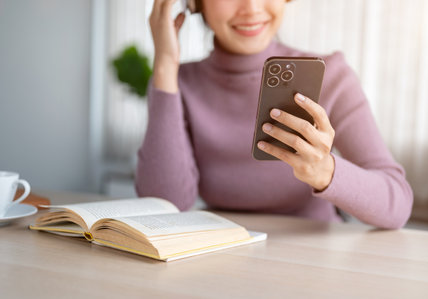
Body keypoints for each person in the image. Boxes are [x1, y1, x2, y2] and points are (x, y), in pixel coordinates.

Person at [136, 0, 413, 229]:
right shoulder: (176, 82)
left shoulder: (332, 76)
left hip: (314, 262)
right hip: (220, 256)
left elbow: (397, 203)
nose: (252, 8)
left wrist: (325, 171)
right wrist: (164, 65)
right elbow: (164, 205)